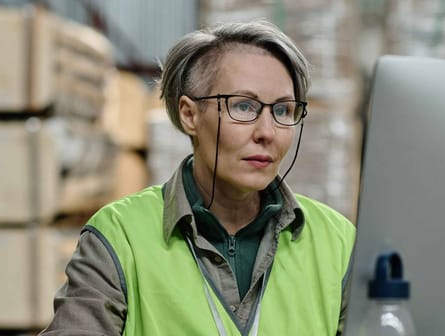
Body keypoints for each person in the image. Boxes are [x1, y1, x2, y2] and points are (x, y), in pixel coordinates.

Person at [40, 20, 355, 336]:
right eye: (244, 106)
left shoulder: (338, 242)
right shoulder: (120, 237)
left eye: (283, 110)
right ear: (190, 114)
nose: (267, 132)